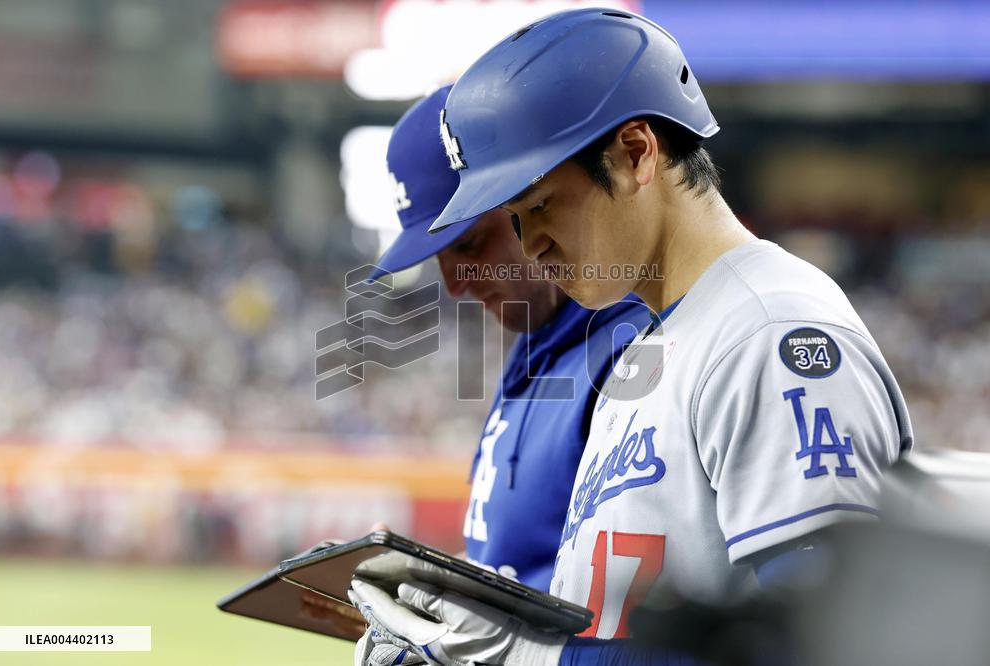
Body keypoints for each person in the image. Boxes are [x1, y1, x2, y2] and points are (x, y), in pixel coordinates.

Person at [350, 8, 914, 666]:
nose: (531, 247)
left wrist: (515, 654)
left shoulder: (770, 332)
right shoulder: (651, 346)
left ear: (636, 153)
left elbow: (833, 644)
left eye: (539, 205)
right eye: (516, 220)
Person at [351, 84, 651, 664]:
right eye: (438, 259)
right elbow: (529, 567)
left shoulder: (633, 353)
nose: (453, 284)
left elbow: (642, 621)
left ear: (533, 199)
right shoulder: (537, 344)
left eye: (469, 244)